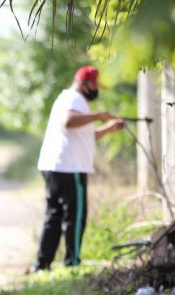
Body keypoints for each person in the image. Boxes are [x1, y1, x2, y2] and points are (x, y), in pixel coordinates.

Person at [27, 66, 125, 273]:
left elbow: (85, 135)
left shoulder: (68, 99)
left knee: (54, 215)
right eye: (94, 85)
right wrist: (98, 115)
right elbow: (68, 121)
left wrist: (109, 128)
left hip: (55, 165)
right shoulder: (74, 99)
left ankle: (42, 264)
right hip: (70, 168)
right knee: (75, 216)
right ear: (83, 84)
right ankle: (73, 263)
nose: (96, 90)